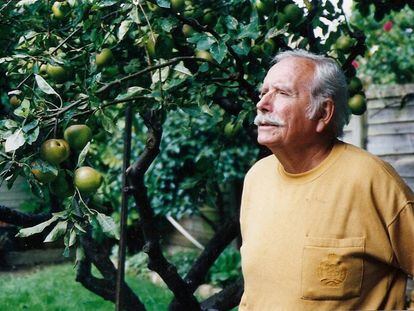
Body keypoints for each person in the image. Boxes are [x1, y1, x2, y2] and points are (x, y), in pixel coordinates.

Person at [238, 49, 414, 310]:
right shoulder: (256, 178)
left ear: (323, 113)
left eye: (282, 93)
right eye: (264, 92)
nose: (262, 103)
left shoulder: (372, 180)